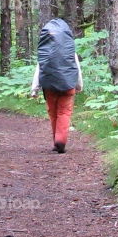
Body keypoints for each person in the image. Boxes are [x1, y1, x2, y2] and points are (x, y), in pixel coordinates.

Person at [29, 17, 83, 153]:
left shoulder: (45, 52)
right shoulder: (70, 51)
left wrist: (34, 89)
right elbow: (76, 68)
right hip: (68, 85)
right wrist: (79, 85)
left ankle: (56, 141)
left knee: (53, 114)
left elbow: (39, 69)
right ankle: (61, 140)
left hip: (49, 86)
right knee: (64, 113)